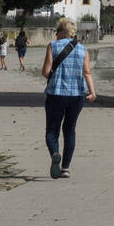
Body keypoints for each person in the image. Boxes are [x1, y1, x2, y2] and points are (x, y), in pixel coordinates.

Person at [41, 18, 96, 179]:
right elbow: (87, 73)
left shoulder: (52, 46)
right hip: (76, 96)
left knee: (52, 131)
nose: (56, 33)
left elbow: (45, 71)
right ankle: (65, 168)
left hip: (56, 94)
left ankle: (54, 154)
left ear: (63, 31)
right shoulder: (82, 49)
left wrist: (53, 75)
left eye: (57, 30)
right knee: (70, 130)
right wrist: (92, 92)